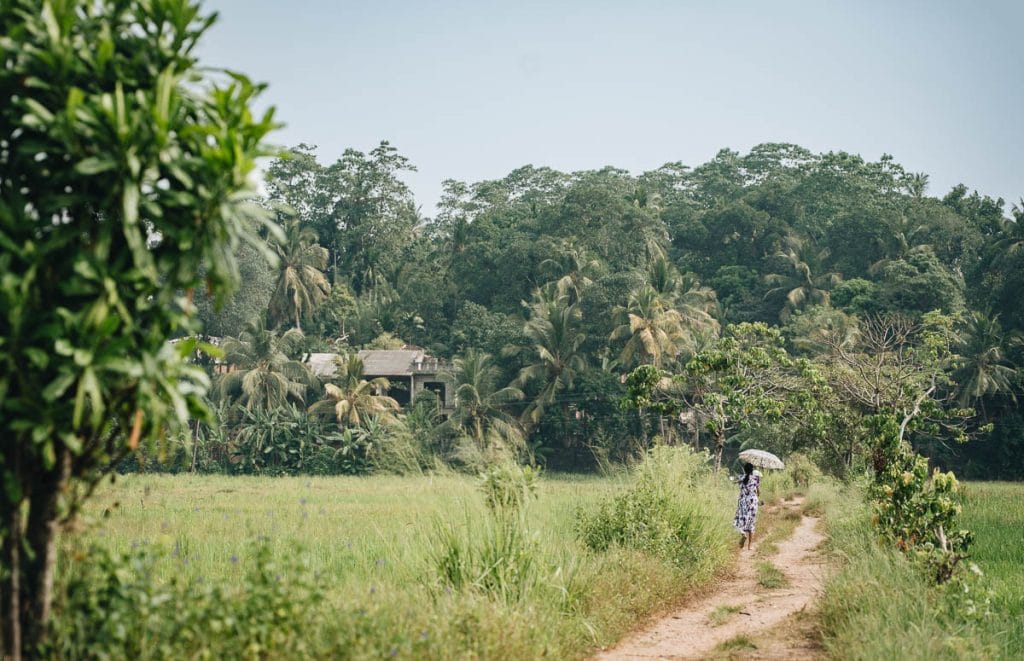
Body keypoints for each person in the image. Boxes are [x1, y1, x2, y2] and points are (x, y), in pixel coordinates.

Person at [733, 462, 761, 549]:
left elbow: (738, 484)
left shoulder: (741, 478)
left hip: (743, 502)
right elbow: (759, 493)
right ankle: (750, 546)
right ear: (752, 470)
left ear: (745, 470)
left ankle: (743, 534)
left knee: (740, 520)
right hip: (753, 502)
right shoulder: (756, 479)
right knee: (751, 522)